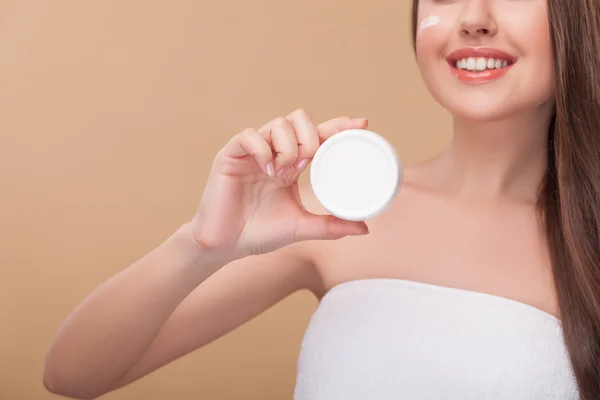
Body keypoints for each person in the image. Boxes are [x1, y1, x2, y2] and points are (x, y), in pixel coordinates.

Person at [43, 0, 600, 398]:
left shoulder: (589, 247)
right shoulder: (331, 216)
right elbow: (72, 375)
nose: (474, 18)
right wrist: (203, 245)